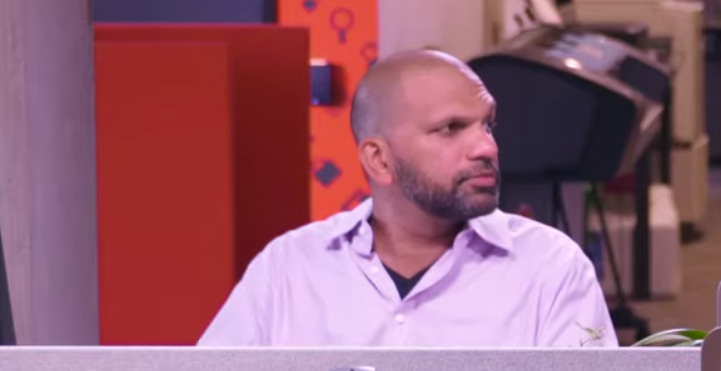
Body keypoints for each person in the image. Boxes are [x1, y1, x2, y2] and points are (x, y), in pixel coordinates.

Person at [199, 49, 617, 347]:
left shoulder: (550, 268)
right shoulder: (290, 269)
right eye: (451, 128)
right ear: (379, 159)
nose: (486, 148)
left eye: (487, 125)